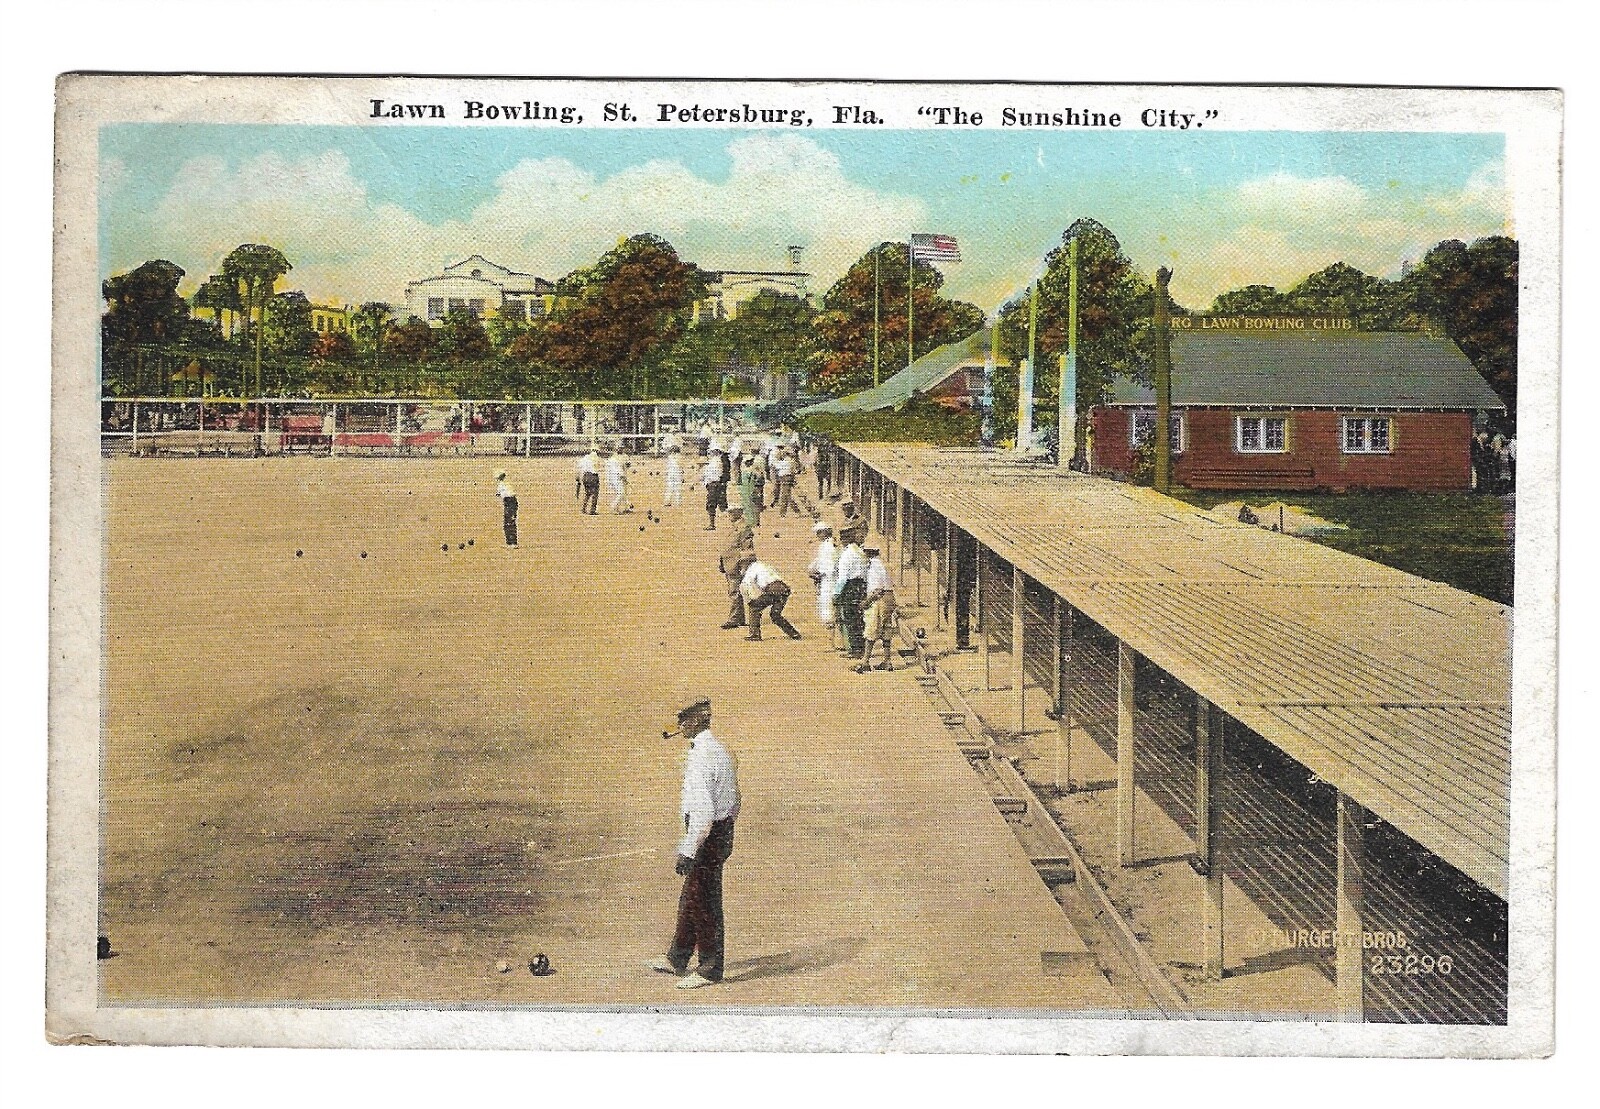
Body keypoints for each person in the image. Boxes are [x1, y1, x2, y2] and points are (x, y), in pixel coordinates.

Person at [651, 696, 740, 989]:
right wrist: (726, 831)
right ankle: (677, 958)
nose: (680, 725)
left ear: (699, 720)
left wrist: (689, 850)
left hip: (706, 833)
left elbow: (702, 811)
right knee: (694, 894)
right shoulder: (720, 750)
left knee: (704, 900)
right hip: (719, 830)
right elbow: (735, 799)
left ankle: (710, 968)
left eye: (684, 719)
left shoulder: (703, 757)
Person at [857, 545, 898, 672]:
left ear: (868, 552)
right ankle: (887, 661)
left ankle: (865, 662)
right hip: (889, 598)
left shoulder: (874, 566)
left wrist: (865, 602)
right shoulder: (881, 564)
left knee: (872, 629)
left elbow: (877, 590)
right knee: (886, 630)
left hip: (880, 600)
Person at [741, 559, 802, 641]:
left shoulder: (750, 570)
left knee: (754, 608)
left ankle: (755, 634)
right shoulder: (765, 566)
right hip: (784, 589)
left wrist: (750, 601)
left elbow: (746, 585)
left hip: (772, 590)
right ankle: (794, 633)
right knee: (775, 614)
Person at [718, 506, 757, 629]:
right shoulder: (735, 526)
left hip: (737, 565)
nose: (729, 515)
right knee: (735, 591)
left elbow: (747, 549)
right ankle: (739, 617)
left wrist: (744, 567)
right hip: (730, 564)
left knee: (735, 592)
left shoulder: (744, 528)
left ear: (737, 513)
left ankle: (735, 618)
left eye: (731, 513)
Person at [834, 527, 869, 659]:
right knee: (859, 618)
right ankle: (861, 648)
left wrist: (836, 593)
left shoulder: (847, 554)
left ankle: (856, 649)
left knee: (850, 618)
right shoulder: (860, 553)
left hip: (850, 587)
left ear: (845, 540)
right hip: (861, 586)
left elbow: (843, 578)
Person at [807, 521, 839, 649]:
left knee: (828, 611)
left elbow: (829, 568)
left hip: (829, 582)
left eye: (819, 533)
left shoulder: (828, 547)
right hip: (826, 581)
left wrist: (817, 575)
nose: (817, 535)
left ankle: (831, 643)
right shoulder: (826, 545)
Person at [702, 449, 726, 529]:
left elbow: (708, 475)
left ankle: (712, 524)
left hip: (713, 485)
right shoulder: (718, 461)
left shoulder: (714, 462)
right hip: (717, 484)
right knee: (722, 504)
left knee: (711, 504)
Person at [494, 470, 518, 548]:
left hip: (510, 502)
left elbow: (499, 494)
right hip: (511, 502)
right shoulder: (505, 484)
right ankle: (510, 542)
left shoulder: (502, 485)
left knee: (509, 522)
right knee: (509, 522)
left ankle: (512, 543)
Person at [772, 448, 796, 517]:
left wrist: (777, 457)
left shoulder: (786, 461)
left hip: (785, 478)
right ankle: (795, 509)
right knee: (787, 494)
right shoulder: (791, 461)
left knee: (785, 495)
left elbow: (775, 466)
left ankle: (783, 512)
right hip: (788, 478)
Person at [606, 449, 632, 514]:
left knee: (623, 493)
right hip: (617, 479)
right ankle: (614, 507)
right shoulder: (615, 460)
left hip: (615, 478)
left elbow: (625, 467)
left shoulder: (612, 459)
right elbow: (619, 471)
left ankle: (625, 507)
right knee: (621, 493)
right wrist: (624, 479)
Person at [578, 446, 602, 515]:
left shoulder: (584, 458)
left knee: (588, 494)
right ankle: (592, 510)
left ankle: (584, 508)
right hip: (593, 476)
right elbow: (597, 467)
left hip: (585, 476)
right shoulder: (596, 458)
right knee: (595, 494)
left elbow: (579, 468)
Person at [738, 456, 761, 528]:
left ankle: (751, 522)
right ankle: (754, 522)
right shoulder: (753, 470)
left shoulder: (748, 470)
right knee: (751, 505)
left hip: (747, 490)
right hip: (748, 489)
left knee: (749, 506)